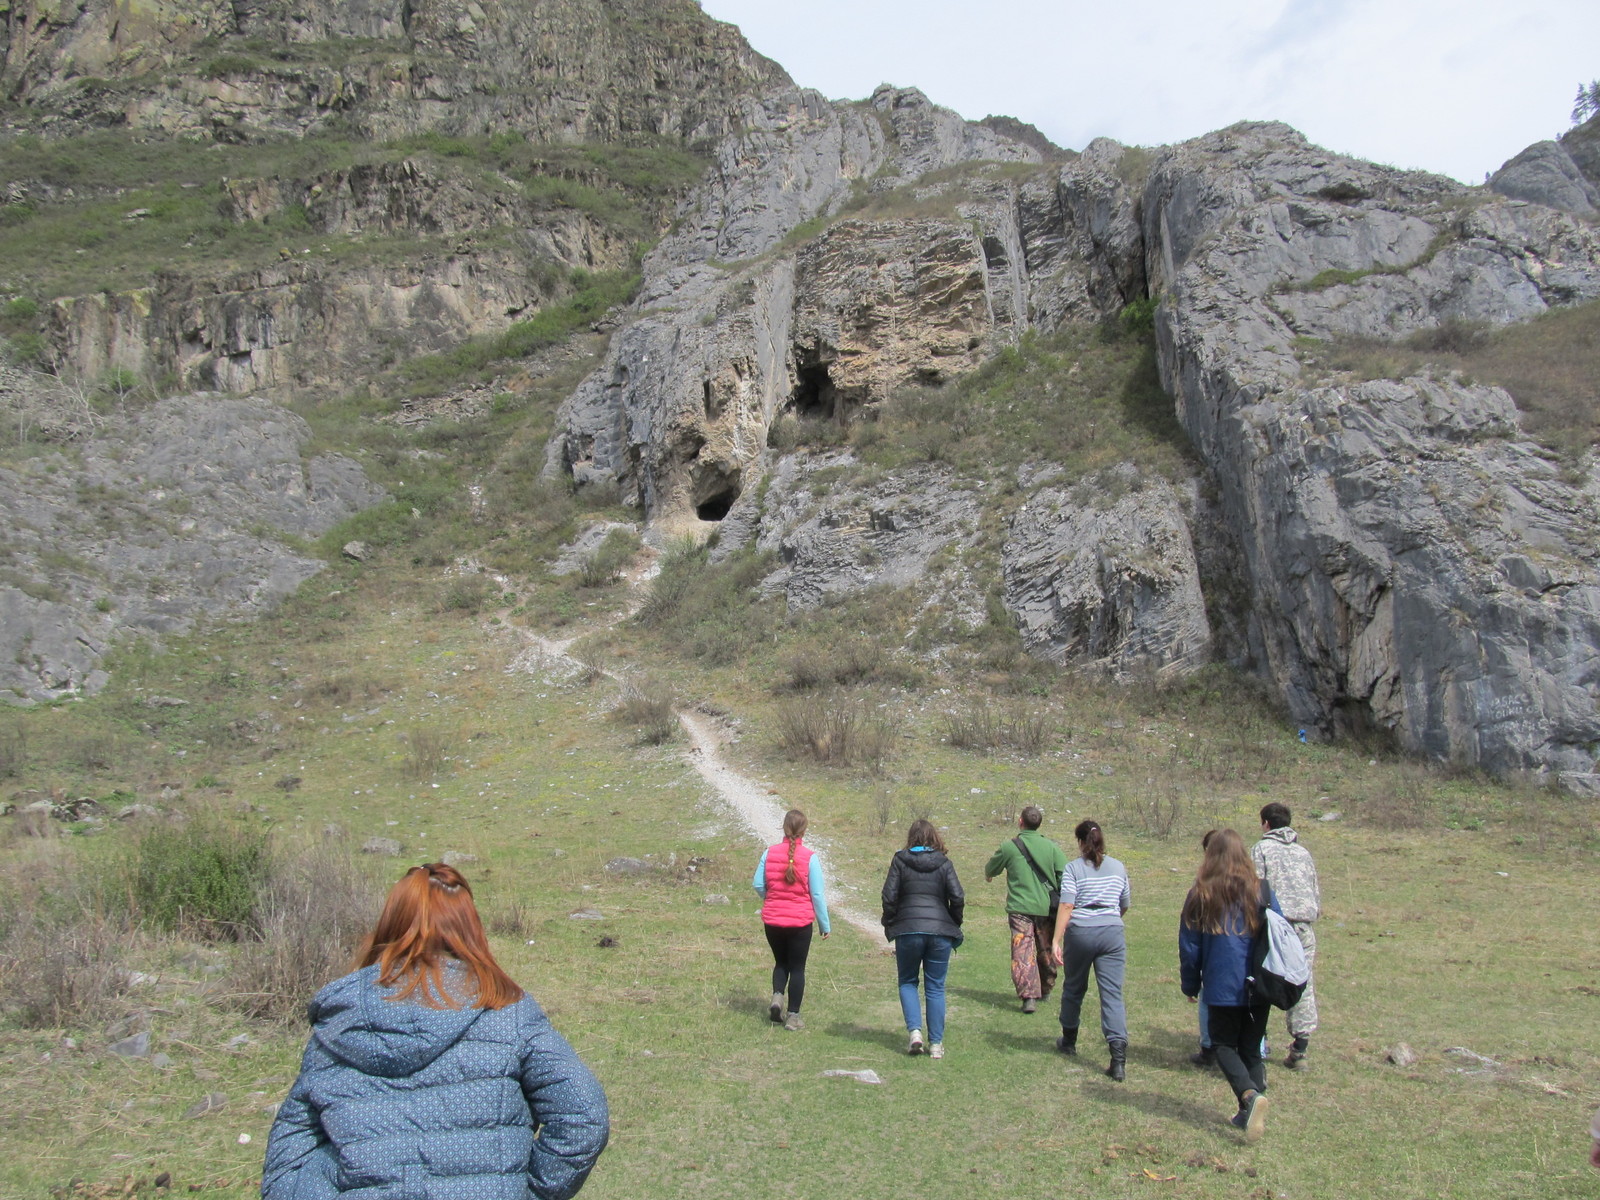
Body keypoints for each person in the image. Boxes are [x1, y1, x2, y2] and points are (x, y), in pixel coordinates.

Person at [262, 863, 609, 1200]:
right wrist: (525, 1190)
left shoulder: (342, 1016)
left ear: (391, 923)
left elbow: (289, 1155)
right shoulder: (506, 1011)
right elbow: (583, 1117)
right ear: (470, 928)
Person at [1179, 829, 1284, 1143]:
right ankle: (1249, 1112)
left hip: (1223, 983)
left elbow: (1190, 945)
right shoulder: (1261, 890)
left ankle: (1250, 1097)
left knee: (1223, 1045)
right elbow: (1279, 934)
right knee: (1251, 1048)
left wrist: (1190, 982)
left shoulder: (1201, 892)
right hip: (1259, 984)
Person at [1048, 819, 1131, 1081]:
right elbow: (1124, 902)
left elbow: (1067, 905)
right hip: (1112, 932)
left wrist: (1056, 940)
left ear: (1081, 842)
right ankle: (1118, 1059)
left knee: (1074, 987)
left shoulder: (1073, 868)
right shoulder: (1118, 867)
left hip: (1081, 931)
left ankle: (1069, 1040)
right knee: (1112, 994)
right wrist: (1111, 919)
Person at [881, 817, 964, 1059]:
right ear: (934, 838)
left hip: (907, 929)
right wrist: (952, 922)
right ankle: (936, 1044)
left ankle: (915, 1032)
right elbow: (957, 896)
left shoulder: (899, 860)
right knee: (936, 987)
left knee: (907, 981)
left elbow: (889, 896)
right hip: (940, 932)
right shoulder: (944, 863)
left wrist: (891, 921)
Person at [1252, 802, 1320, 1068]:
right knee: (1302, 982)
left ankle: (1259, 1039)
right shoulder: (1304, 853)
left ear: (1266, 823)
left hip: (1276, 925)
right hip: (1304, 925)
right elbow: (1314, 891)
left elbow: (1257, 887)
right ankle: (1300, 1047)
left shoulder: (1262, 849)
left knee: (1263, 978)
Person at [752, 808, 831, 1031]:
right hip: (800, 922)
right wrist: (824, 924)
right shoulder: (810, 858)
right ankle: (793, 1017)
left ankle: (777, 997)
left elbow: (758, 884)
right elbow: (816, 894)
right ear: (804, 830)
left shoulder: (769, 853)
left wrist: (771, 897)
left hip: (773, 920)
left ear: (784, 828)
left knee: (781, 962)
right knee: (798, 968)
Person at [984, 804, 1068, 1013]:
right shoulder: (1052, 847)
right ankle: (1046, 988)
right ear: (1039, 824)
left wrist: (990, 874)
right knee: (1045, 947)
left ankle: (1028, 996)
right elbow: (1064, 876)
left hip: (1020, 908)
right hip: (1046, 908)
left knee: (1022, 951)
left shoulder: (1009, 847)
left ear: (1021, 822)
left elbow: (991, 867)